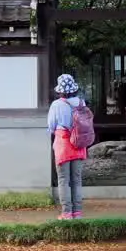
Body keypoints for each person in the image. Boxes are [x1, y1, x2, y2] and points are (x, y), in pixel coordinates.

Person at [47, 73, 88, 220]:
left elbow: (51, 126)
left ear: (60, 90)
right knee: (76, 179)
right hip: (79, 143)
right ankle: (77, 213)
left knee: (64, 179)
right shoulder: (81, 103)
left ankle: (66, 213)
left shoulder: (56, 105)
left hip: (63, 144)